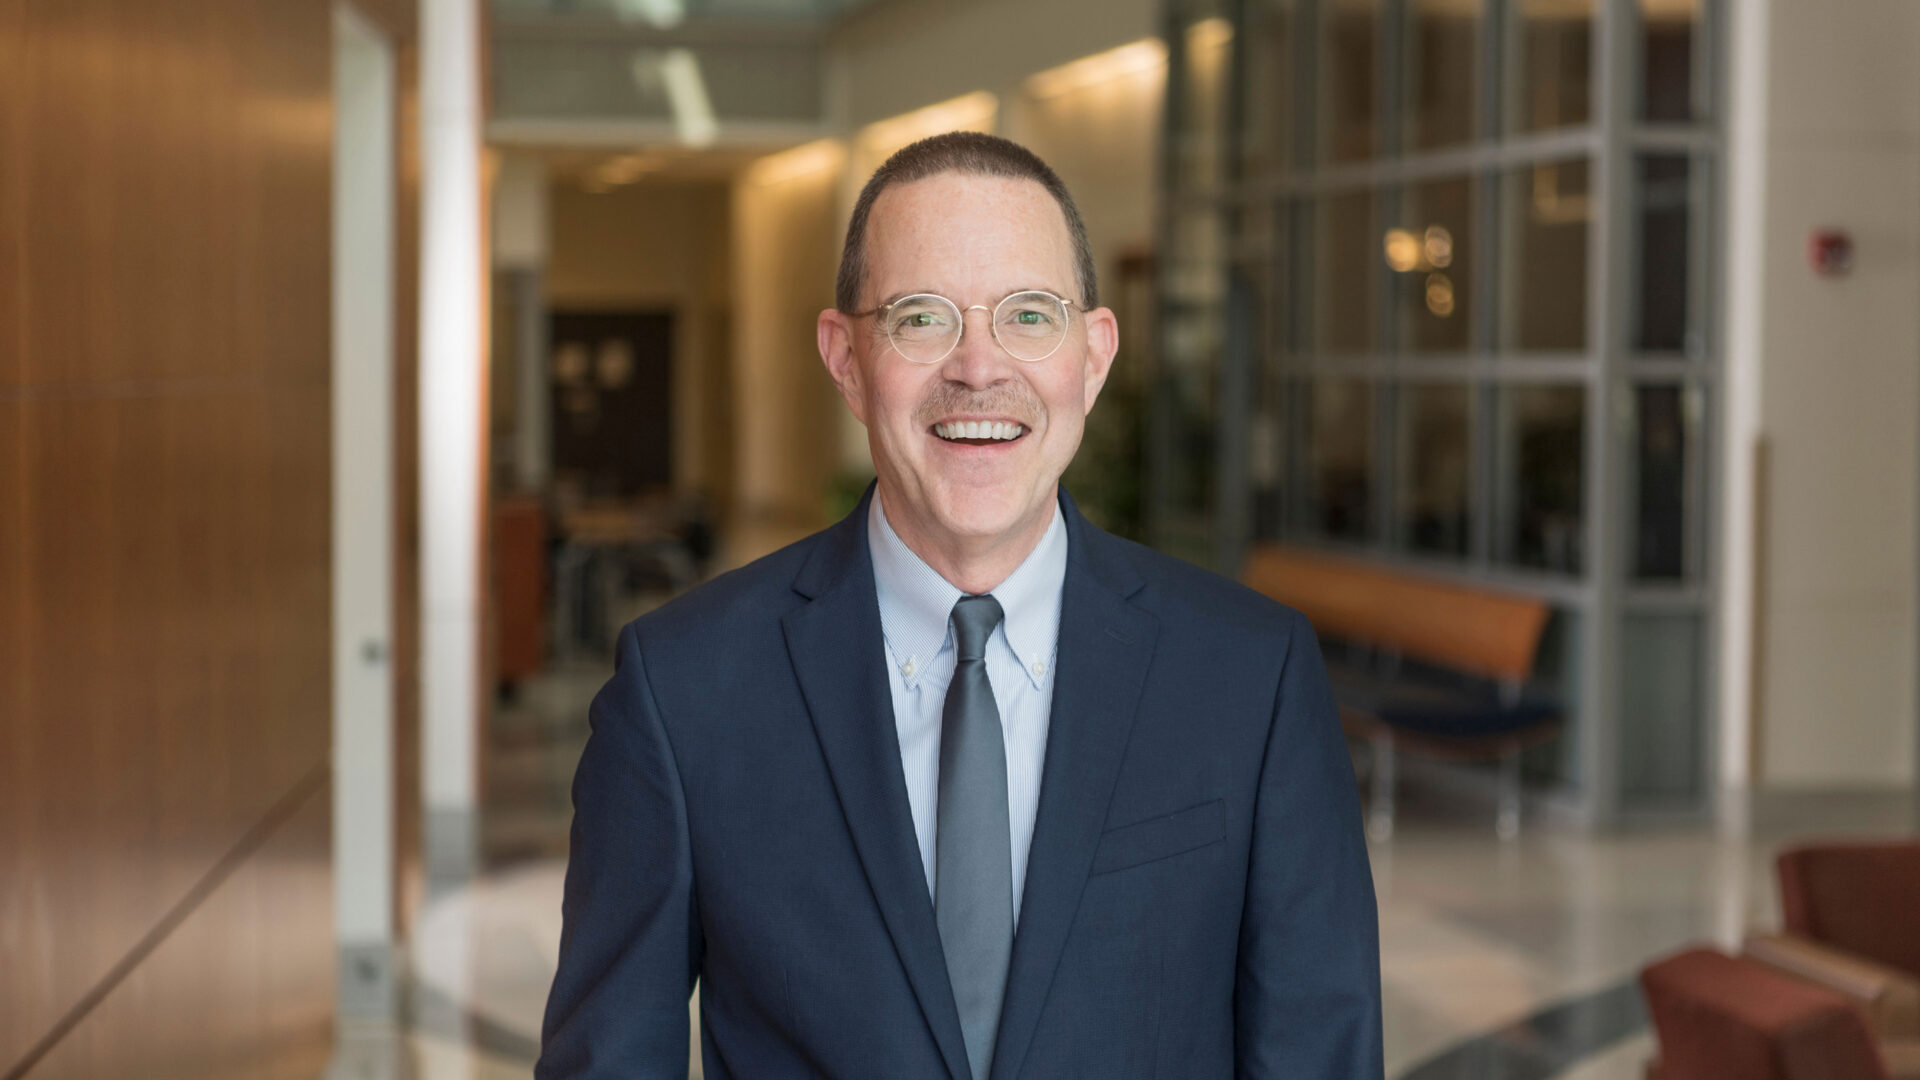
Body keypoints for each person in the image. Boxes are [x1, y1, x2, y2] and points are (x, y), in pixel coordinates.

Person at [535, 131, 1383, 1080]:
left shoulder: (1249, 677)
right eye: (922, 318)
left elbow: (1320, 1054)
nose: (979, 369)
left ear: (1093, 358)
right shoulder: (683, 688)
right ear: (846, 358)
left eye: (1029, 315)